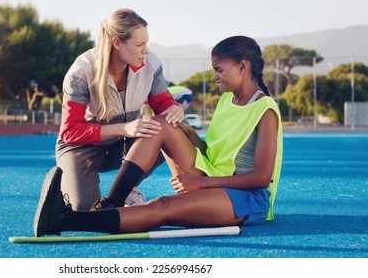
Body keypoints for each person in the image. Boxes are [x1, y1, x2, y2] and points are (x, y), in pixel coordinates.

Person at [34, 35, 283, 237]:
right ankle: (111, 203)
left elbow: (261, 178)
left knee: (162, 206)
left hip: (245, 198)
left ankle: (64, 221)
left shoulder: (265, 110)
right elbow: (214, 151)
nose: (215, 76)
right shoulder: (228, 99)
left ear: (243, 66)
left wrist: (201, 184)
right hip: (211, 175)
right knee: (160, 123)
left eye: (219, 70)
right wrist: (181, 132)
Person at [52, 8, 184, 211]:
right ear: (116, 42)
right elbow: (70, 132)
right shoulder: (81, 72)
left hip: (124, 143)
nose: (145, 50)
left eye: (146, 43)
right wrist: (123, 128)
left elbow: (162, 103)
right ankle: (71, 181)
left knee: (173, 130)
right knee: (85, 209)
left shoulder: (151, 64)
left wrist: (174, 109)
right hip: (82, 147)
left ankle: (126, 188)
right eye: (140, 44)